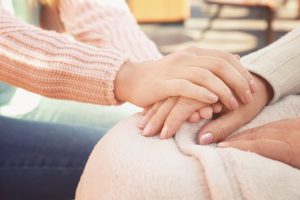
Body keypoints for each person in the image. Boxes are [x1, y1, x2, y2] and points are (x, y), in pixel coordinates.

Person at [0, 0, 257, 199]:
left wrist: (165, 85)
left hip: (30, 100)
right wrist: (128, 77)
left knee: (165, 135)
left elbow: (100, 16)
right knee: (131, 160)